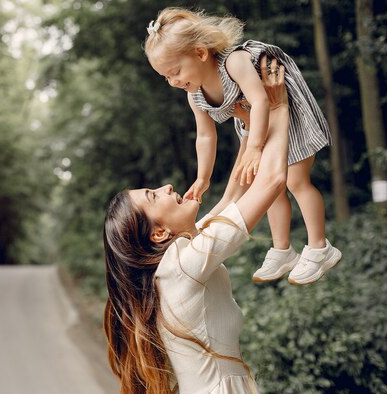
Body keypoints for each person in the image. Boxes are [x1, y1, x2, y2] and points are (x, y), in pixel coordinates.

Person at [103, 56, 290, 394]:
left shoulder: (180, 259)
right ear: (159, 232)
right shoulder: (184, 265)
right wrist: (279, 108)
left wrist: (251, 120)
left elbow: (235, 192)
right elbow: (271, 181)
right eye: (154, 196)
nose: (167, 186)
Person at [143, 8, 341, 285]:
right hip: (255, 126)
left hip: (284, 109)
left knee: (296, 181)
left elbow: (261, 101)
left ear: (200, 53)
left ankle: (320, 247)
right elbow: (205, 136)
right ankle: (283, 249)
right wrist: (203, 178)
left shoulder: (234, 63)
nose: (174, 82)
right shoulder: (194, 94)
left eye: (175, 71)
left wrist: (255, 148)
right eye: (166, 77)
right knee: (266, 185)